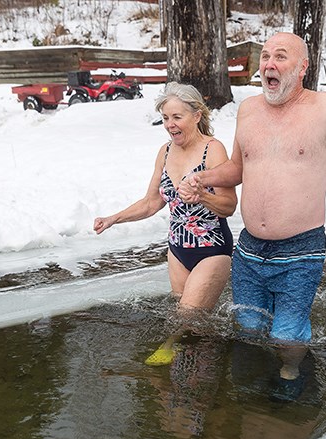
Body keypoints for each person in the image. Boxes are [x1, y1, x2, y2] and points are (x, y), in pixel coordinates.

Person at [178, 32, 326, 401]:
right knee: (248, 325)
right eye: (266, 56)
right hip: (250, 247)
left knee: (287, 332)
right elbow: (239, 167)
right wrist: (201, 178)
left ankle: (290, 374)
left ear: (302, 67)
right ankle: (255, 373)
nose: (269, 64)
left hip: (300, 249)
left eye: (281, 57)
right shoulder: (249, 110)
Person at [93, 82, 237, 366]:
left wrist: (201, 197)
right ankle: (201, 364)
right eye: (166, 118)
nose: (170, 125)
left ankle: (174, 350)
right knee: (190, 318)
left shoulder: (213, 150)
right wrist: (114, 219)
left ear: (197, 115)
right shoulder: (165, 152)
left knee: (186, 318)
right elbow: (152, 202)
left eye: (177, 117)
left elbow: (229, 205)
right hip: (177, 250)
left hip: (212, 249)